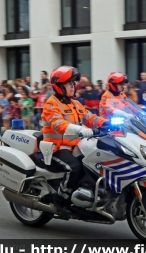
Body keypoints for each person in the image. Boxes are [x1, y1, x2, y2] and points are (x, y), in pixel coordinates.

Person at [42, 66, 107, 215]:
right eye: (69, 83)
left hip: (76, 147)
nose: (73, 86)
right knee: (74, 168)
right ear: (59, 86)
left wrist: (106, 123)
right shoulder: (51, 104)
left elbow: (90, 117)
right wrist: (80, 130)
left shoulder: (75, 103)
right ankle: (60, 201)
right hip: (56, 149)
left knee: (96, 162)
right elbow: (59, 124)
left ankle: (87, 195)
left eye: (73, 83)